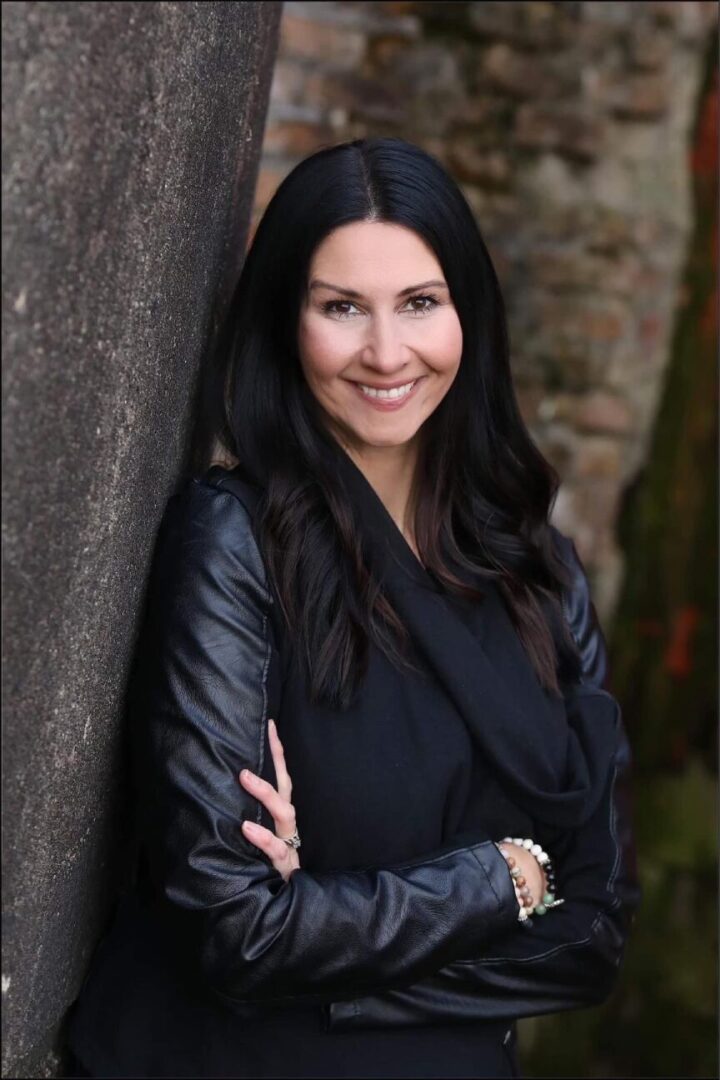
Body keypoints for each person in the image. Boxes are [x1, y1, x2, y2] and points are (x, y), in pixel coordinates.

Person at [64, 136, 641, 1079]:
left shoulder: (542, 573)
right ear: (287, 323)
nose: (385, 353)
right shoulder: (234, 544)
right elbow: (237, 934)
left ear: (470, 315)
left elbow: (595, 939)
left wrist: (323, 936)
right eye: (341, 307)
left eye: (419, 302)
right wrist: (507, 876)